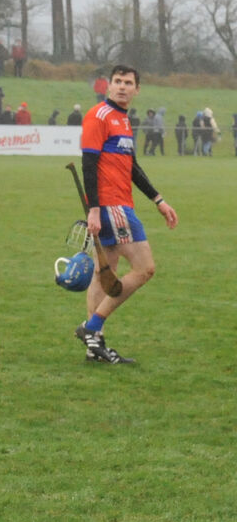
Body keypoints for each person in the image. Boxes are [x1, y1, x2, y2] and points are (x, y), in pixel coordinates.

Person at [74, 65, 178, 364]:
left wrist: (158, 200)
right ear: (108, 86)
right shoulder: (99, 116)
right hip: (112, 207)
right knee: (145, 268)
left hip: (118, 204)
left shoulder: (123, 120)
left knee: (103, 274)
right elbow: (89, 164)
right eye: (117, 81)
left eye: (128, 82)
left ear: (137, 89)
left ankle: (95, 348)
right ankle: (91, 328)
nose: (121, 86)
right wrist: (94, 209)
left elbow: (132, 167)